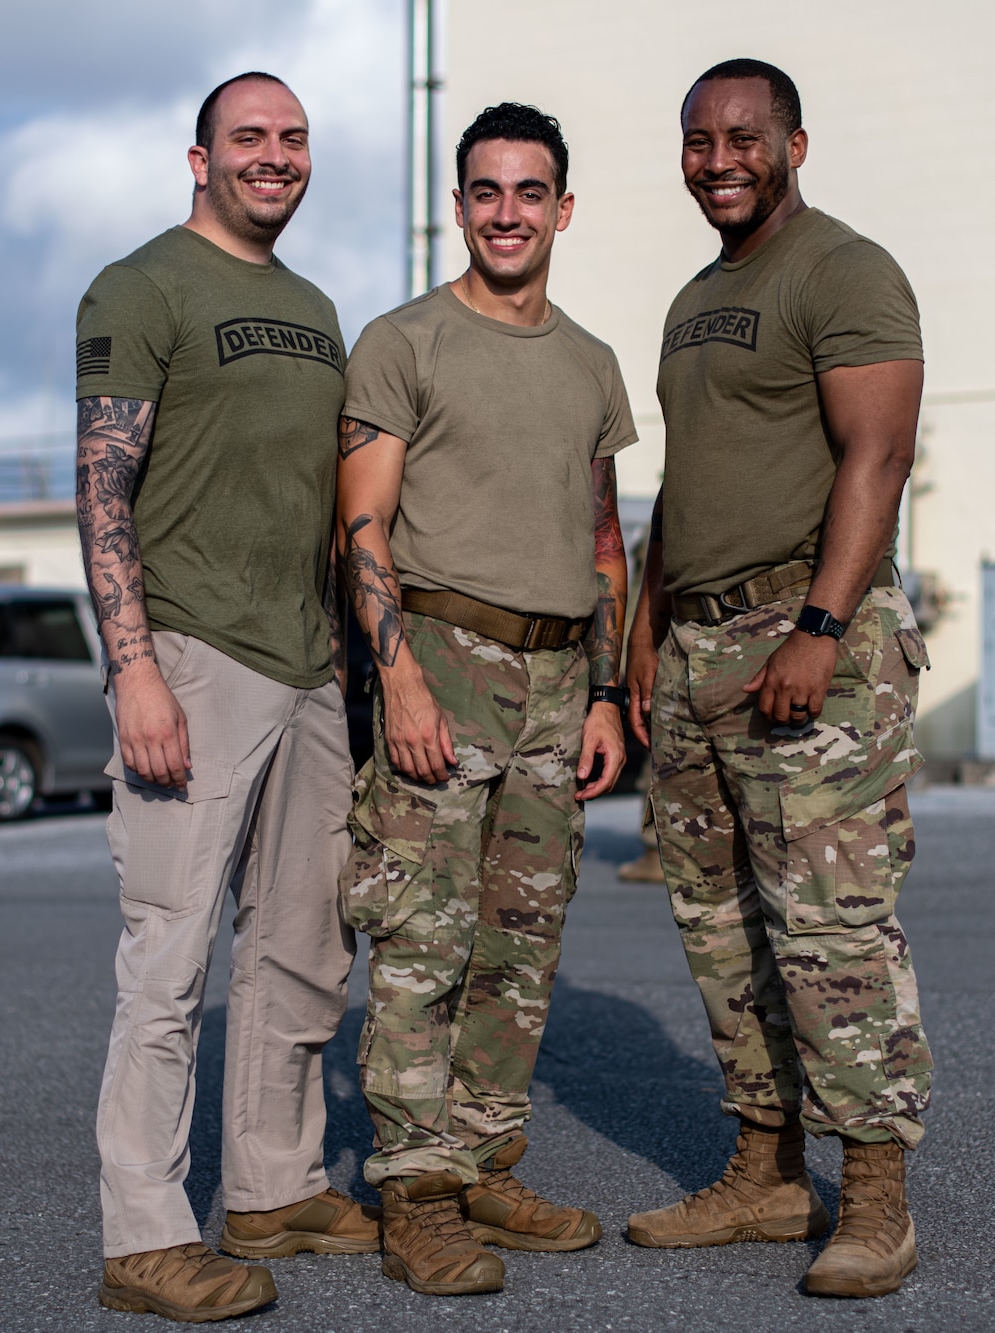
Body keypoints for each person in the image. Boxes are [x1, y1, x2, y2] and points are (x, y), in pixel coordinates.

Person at [622, 59, 934, 1300]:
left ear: (793, 143)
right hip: (695, 645)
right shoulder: (696, 296)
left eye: (741, 137)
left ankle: (873, 1200)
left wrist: (817, 623)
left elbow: (880, 451)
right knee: (722, 926)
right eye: (696, 141)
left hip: (806, 635)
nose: (717, 160)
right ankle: (763, 1171)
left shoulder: (844, 271)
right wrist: (641, 638)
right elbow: (688, 484)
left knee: (831, 928)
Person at [73, 71, 376, 1323]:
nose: (273, 156)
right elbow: (101, 483)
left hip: (308, 666)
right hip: (193, 657)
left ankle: (272, 1185)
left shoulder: (313, 308)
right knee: (170, 952)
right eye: (247, 138)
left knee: (304, 946)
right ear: (197, 158)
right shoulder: (139, 287)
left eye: (291, 139)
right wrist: (133, 664)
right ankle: (144, 1233)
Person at [335, 102, 635, 1296]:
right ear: (457, 205)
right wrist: (395, 671)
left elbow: (604, 540)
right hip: (444, 658)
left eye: (529, 193)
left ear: (562, 209)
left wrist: (608, 692)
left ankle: (482, 1157)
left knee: (521, 940)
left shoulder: (591, 364)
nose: (506, 213)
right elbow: (359, 520)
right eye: (485, 191)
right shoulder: (401, 342)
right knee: (421, 936)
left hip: (563, 682)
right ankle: (413, 1189)